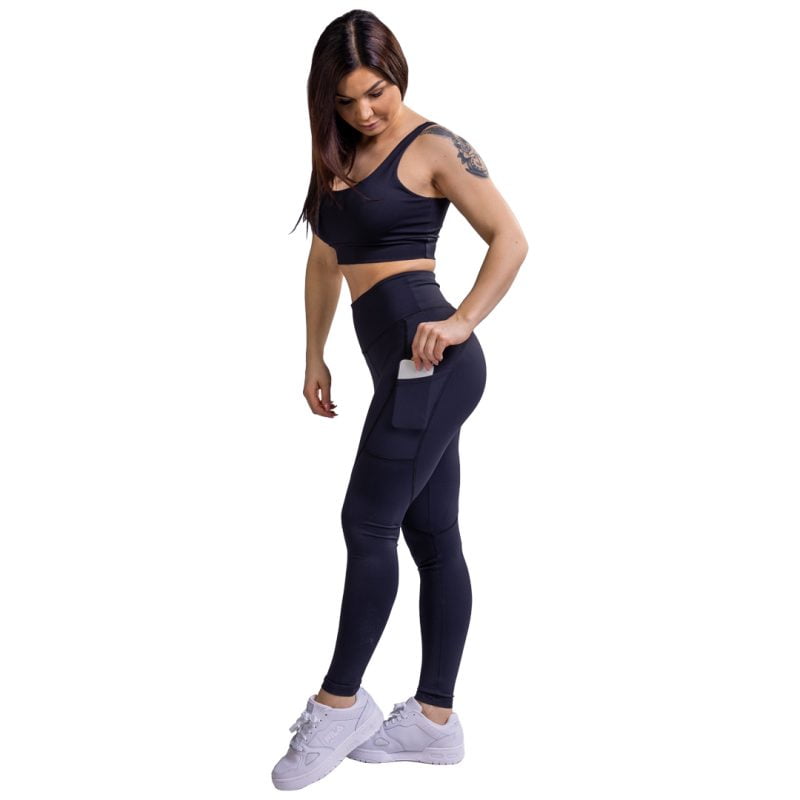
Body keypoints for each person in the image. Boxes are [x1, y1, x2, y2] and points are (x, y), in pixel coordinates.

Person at [272, 10, 527, 791]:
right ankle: (433, 723)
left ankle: (339, 702)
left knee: (366, 522)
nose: (364, 112)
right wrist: (313, 353)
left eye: (375, 93)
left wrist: (461, 321)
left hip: (433, 362)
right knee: (432, 535)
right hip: (392, 366)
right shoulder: (339, 152)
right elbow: (325, 261)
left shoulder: (436, 147)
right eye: (346, 99)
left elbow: (510, 239)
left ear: (397, 74)